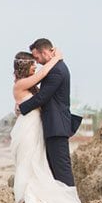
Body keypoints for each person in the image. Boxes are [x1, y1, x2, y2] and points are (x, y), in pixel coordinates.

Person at [10, 47, 84, 203]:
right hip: (28, 130)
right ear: (25, 67)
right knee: (28, 164)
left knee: (40, 165)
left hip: (39, 129)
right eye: (32, 64)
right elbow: (43, 75)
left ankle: (48, 201)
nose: (35, 67)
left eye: (36, 61)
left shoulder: (32, 84)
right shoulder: (21, 84)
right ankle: (23, 202)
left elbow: (42, 98)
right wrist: (55, 58)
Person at [17, 38, 82, 186]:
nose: (37, 61)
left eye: (37, 57)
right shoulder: (56, 68)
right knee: (55, 169)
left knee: (62, 170)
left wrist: (22, 108)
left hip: (56, 126)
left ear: (45, 52)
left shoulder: (57, 71)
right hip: (55, 125)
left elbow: (42, 97)